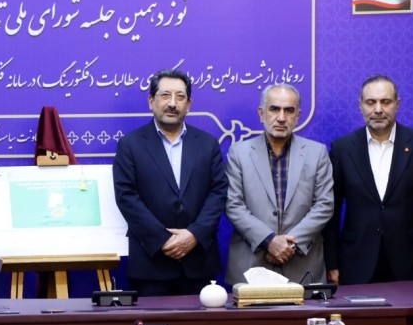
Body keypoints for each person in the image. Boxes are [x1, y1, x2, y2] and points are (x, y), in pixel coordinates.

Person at [113, 69, 228, 296]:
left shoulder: (208, 144)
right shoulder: (130, 145)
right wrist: (162, 239)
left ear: (189, 104)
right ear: (151, 101)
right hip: (151, 264)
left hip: (199, 263)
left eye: (180, 97)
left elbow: (218, 193)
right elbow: (126, 197)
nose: (172, 103)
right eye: (165, 95)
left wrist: (194, 235)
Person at [325, 75, 413, 285]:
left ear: (397, 104)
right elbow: (331, 211)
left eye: (385, 102)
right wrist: (332, 263)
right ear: (360, 106)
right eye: (370, 102)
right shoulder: (342, 148)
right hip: (356, 261)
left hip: (411, 261)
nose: (378, 109)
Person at [225, 84, 333, 285]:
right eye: (274, 109)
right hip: (251, 267)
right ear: (261, 113)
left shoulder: (317, 153)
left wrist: (288, 245)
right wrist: (269, 241)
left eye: (289, 110)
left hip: (303, 267)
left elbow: (324, 205)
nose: (281, 118)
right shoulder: (238, 153)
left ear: (298, 116)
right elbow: (234, 206)